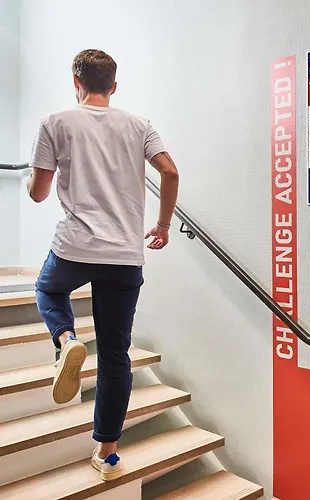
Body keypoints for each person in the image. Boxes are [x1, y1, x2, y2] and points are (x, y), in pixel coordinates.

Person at [27, 49, 179, 481]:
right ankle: (108, 454)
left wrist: (38, 177)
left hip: (75, 248)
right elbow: (170, 172)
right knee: (116, 357)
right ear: (113, 86)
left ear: (76, 83)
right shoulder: (140, 125)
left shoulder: (55, 121)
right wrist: (162, 225)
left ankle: (66, 339)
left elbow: (39, 192)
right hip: (124, 256)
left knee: (47, 288)